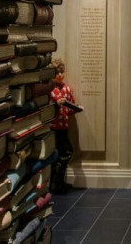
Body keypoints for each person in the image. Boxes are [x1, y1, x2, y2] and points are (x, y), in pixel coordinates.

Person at [49, 57, 83, 194]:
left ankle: (58, 182)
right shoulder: (49, 89)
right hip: (53, 127)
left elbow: (70, 108)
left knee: (64, 152)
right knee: (61, 153)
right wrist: (56, 104)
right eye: (57, 73)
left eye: (61, 72)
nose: (60, 75)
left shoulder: (67, 88)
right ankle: (55, 183)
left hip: (64, 126)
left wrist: (76, 108)